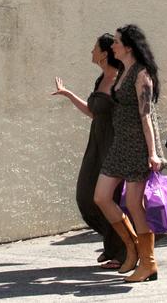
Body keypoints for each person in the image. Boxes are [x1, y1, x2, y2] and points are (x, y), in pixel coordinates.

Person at [93, 24, 165, 283]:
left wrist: (153, 153)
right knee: (101, 196)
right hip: (119, 144)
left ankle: (149, 264)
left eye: (117, 41)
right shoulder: (123, 71)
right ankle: (133, 246)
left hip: (137, 146)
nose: (113, 45)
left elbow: (146, 116)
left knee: (135, 204)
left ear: (129, 47)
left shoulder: (141, 74)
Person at [52, 33, 126, 269]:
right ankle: (114, 241)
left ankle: (120, 251)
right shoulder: (100, 79)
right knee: (85, 197)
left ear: (105, 53)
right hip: (96, 143)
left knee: (110, 198)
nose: (91, 52)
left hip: (113, 143)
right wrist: (68, 94)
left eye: (94, 48)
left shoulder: (119, 81)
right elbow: (94, 112)